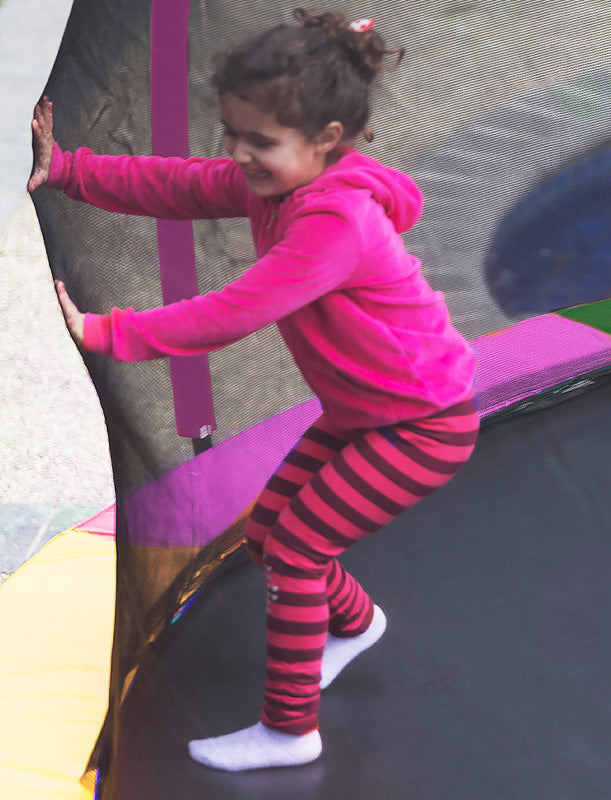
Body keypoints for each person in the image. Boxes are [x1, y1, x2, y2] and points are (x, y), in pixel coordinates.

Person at [29, 9, 478, 772]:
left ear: (327, 141)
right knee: (270, 535)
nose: (238, 155)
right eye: (233, 133)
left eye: (258, 143)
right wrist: (70, 170)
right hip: (364, 413)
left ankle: (290, 730)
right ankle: (355, 624)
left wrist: (113, 332)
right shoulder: (278, 181)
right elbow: (177, 183)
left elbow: (234, 311)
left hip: (421, 424)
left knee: (299, 550)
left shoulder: (333, 220)